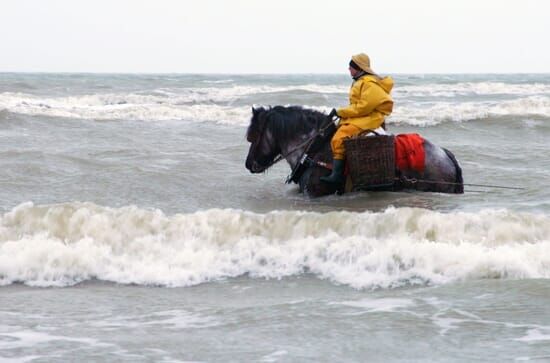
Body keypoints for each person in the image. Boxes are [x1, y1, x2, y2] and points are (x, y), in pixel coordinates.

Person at [320, 53, 394, 184]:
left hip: (370, 117)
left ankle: (336, 176)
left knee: (339, 138)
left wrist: (340, 111)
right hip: (364, 116)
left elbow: (363, 108)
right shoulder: (360, 81)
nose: (349, 69)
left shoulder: (369, 83)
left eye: (350, 67)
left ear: (358, 67)